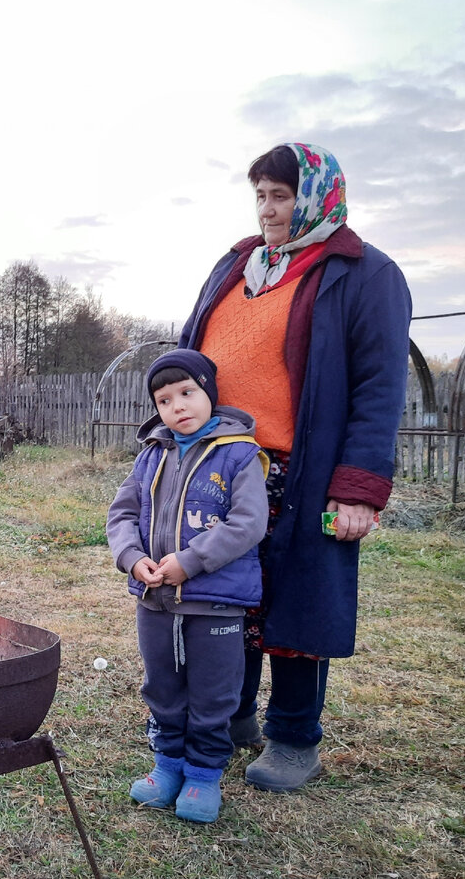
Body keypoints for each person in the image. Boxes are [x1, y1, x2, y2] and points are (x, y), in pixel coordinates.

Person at [180, 142, 411, 792]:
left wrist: (359, 488)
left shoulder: (364, 273)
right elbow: (191, 350)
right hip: (222, 463)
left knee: (299, 603)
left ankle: (292, 738)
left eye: (281, 195)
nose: (268, 209)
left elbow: (378, 389)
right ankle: (232, 717)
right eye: (260, 195)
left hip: (301, 468)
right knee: (226, 595)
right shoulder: (236, 264)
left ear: (314, 196)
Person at [107, 349, 269, 822]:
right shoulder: (150, 456)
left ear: (209, 395)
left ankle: (202, 775)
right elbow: (120, 515)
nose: (177, 406)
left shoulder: (239, 454)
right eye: (164, 399)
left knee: (213, 693)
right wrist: (133, 560)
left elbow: (248, 523)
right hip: (155, 598)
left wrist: (190, 562)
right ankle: (168, 766)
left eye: (187, 393)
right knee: (161, 686)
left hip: (215, 601)